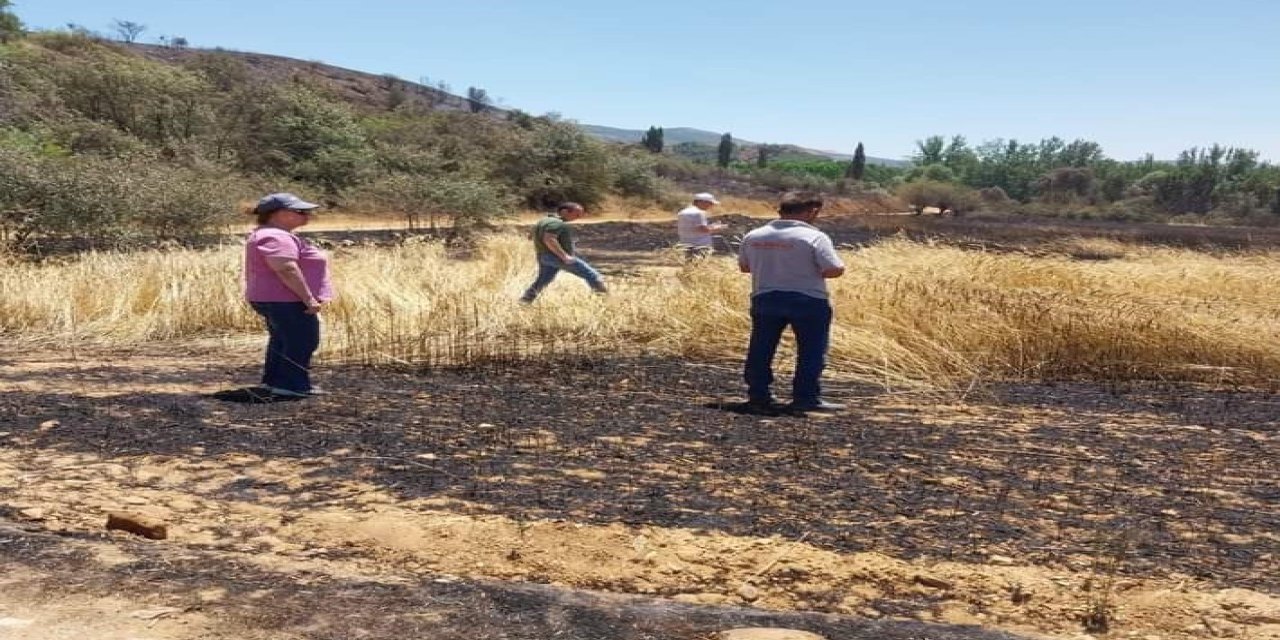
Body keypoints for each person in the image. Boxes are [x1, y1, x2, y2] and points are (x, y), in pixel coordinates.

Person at [738, 191, 846, 413]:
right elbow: (834, 269)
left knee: (761, 348)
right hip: (808, 299)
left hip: (765, 296)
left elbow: (745, 267)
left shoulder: (754, 235)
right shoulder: (814, 237)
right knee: (811, 351)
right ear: (812, 211)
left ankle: (758, 396)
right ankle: (805, 397)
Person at [243, 192, 334, 398]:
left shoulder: (272, 234)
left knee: (283, 339)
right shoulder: (275, 236)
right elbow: (286, 269)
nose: (306, 215)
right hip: (285, 299)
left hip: (275, 298)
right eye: (299, 211)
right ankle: (291, 386)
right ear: (278, 214)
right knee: (302, 339)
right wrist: (309, 298)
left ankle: (274, 382)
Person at [519, 201, 608, 303]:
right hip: (556, 257)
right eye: (577, 214)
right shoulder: (557, 223)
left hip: (543, 256)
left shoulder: (543, 221)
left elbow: (531, 236)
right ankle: (604, 302)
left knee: (542, 281)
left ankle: (524, 301)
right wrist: (564, 256)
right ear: (565, 211)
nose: (579, 217)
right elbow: (549, 239)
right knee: (593, 276)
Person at [675, 192, 727, 259]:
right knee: (700, 265)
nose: (711, 206)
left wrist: (711, 226)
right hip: (700, 246)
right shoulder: (699, 213)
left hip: (685, 243)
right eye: (710, 203)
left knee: (690, 264)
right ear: (702, 202)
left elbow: (693, 227)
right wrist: (718, 228)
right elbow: (702, 229)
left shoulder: (682, 212)